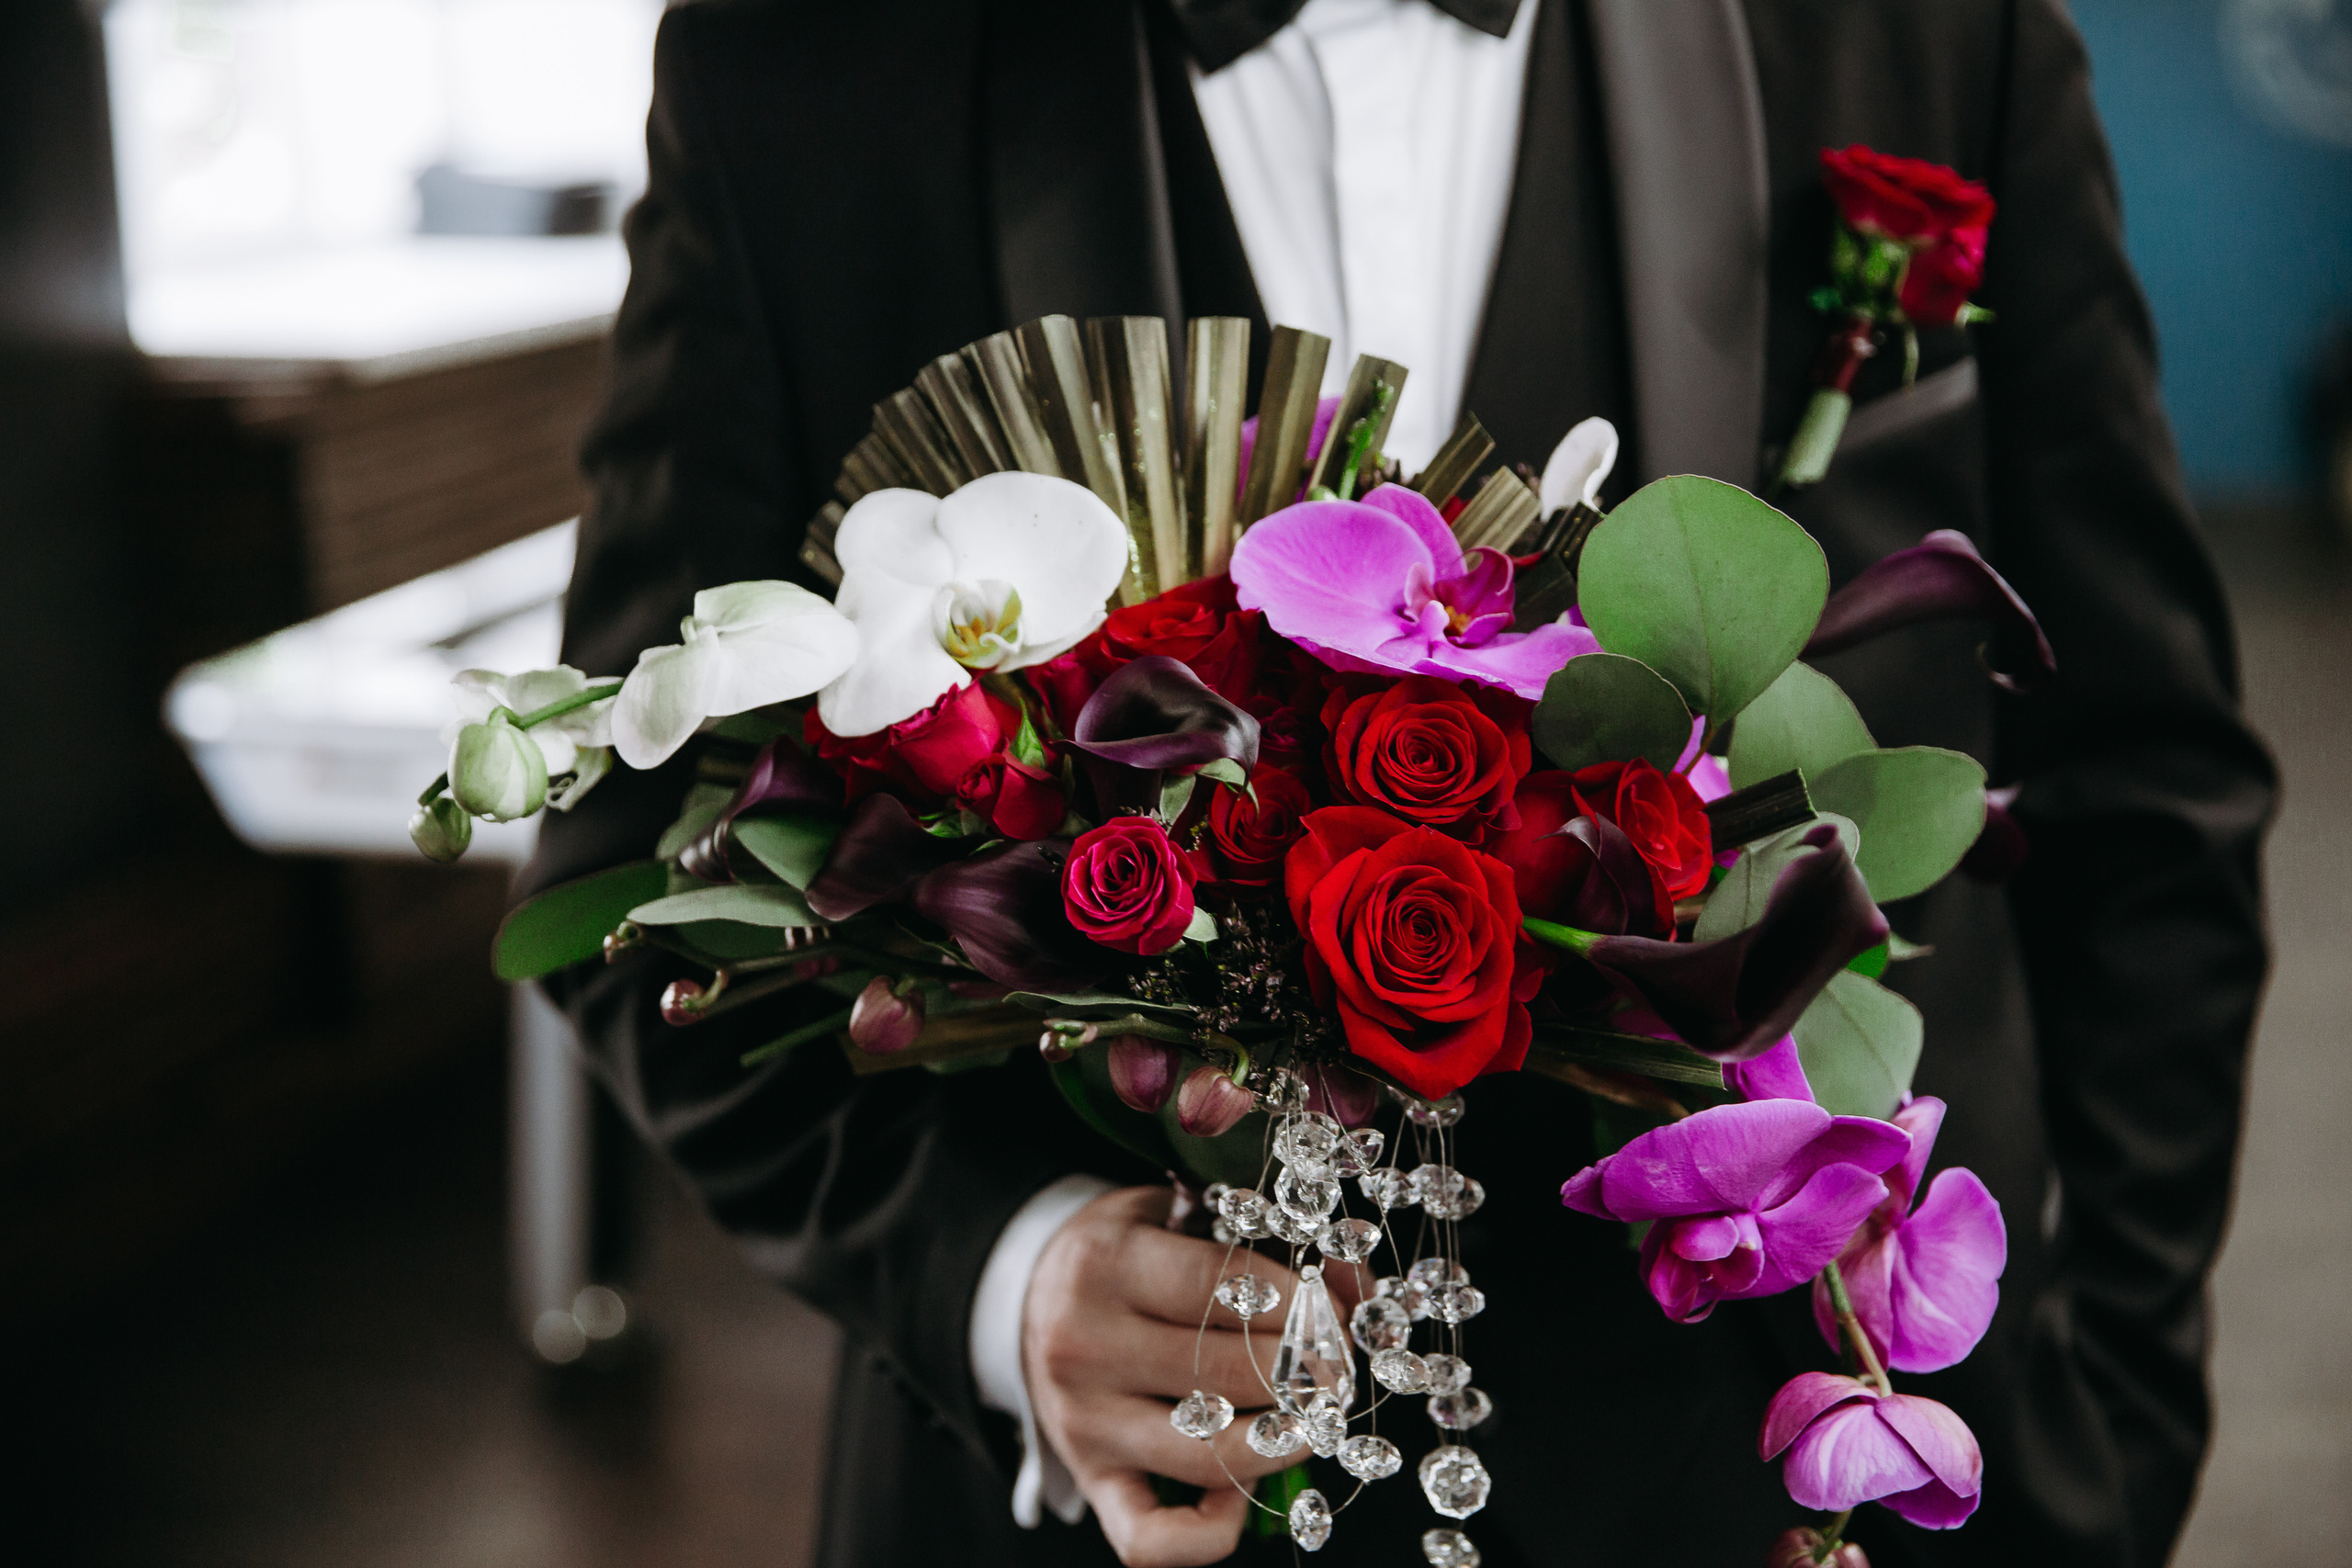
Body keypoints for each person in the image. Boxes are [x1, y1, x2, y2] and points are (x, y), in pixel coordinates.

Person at [527, 2, 2276, 1563]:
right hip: (1136, 1510)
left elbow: (2141, 780)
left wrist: (2109, 1440)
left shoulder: (1933, 29)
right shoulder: (800, 69)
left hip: (1786, 1473)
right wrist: (1004, 1274)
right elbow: (631, 848)